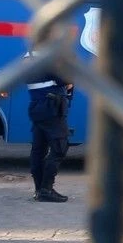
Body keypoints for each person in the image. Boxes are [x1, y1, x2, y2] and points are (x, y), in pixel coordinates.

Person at [23, 49, 72, 203]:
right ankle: (46, 189)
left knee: (39, 148)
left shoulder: (29, 55)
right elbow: (64, 77)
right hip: (51, 107)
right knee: (59, 147)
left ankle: (39, 189)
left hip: (38, 107)